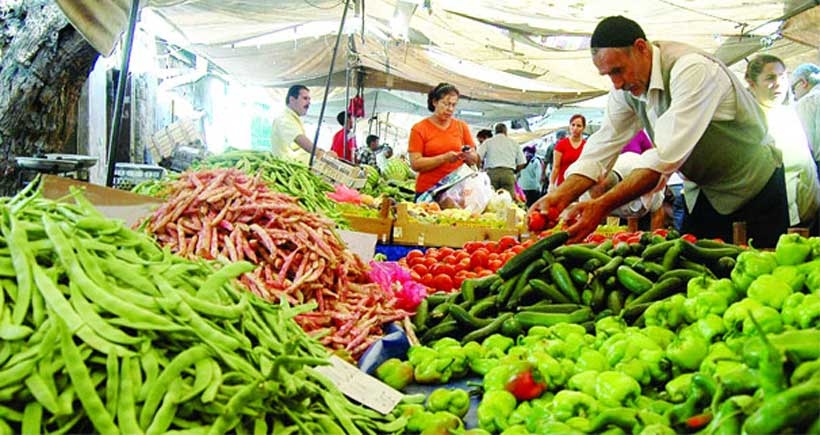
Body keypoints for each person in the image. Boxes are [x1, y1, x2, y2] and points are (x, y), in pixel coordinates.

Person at [532, 15, 787, 247]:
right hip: (704, 193)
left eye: (618, 70)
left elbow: (662, 158)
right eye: (608, 74)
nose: (616, 83)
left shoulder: (692, 69)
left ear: (641, 48)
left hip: (755, 187)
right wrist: (560, 196)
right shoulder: (627, 89)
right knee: (699, 274)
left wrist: (601, 206)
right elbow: (601, 147)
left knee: (762, 271)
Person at [746, 55, 820, 231]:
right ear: (752, 83)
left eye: (783, 77)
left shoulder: (789, 114)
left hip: (807, 213)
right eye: (770, 78)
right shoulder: (748, 120)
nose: (779, 83)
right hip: (775, 217)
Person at [408, 83, 480, 197]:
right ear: (434, 102)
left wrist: (470, 156)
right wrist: (444, 158)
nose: (450, 109)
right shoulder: (419, 129)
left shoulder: (461, 127)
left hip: (456, 191)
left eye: (453, 105)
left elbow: (475, 158)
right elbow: (415, 164)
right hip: (428, 191)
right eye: (446, 104)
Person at [270, 85, 335, 164]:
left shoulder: (293, 119)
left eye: (309, 99)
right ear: (292, 100)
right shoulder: (283, 118)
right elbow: (299, 138)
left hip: (300, 168)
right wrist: (319, 153)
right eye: (305, 98)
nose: (309, 103)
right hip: (290, 171)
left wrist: (322, 153)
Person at [478, 123, 526, 198]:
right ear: (506, 132)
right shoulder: (514, 143)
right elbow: (522, 163)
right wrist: (514, 171)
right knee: (508, 200)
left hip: (492, 174)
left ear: (495, 131)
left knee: (492, 200)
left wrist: (479, 169)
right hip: (508, 174)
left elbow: (478, 157)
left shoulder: (488, 142)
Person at [791, 63, 820, 170]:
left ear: (803, 82)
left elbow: (807, 144)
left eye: (793, 88)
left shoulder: (807, 101)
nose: (794, 95)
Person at [549, 114, 587, 190]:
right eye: (573, 125)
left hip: (580, 186)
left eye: (579, 126)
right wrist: (551, 184)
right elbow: (556, 167)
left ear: (583, 128)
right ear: (569, 126)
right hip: (562, 185)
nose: (575, 128)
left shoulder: (586, 145)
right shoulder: (561, 144)